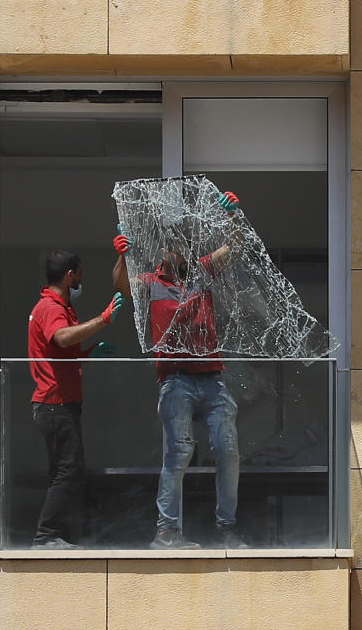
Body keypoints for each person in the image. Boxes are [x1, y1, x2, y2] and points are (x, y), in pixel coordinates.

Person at [113, 191, 248, 550]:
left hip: (212, 379)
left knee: (228, 450)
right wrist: (121, 254)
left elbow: (234, 246)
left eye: (186, 247)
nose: (183, 252)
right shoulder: (152, 282)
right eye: (176, 248)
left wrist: (233, 215)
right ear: (164, 254)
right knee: (179, 452)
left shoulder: (200, 273)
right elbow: (121, 285)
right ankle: (167, 532)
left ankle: (226, 529)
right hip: (176, 381)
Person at [29, 249, 124, 549]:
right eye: (80, 274)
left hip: (59, 403)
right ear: (70, 274)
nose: (82, 280)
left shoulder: (59, 307)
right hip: (55, 404)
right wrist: (104, 319)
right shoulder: (51, 307)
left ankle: (55, 535)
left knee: (63, 471)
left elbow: (61, 353)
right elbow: (61, 338)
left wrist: (87, 354)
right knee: (69, 470)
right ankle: (47, 536)